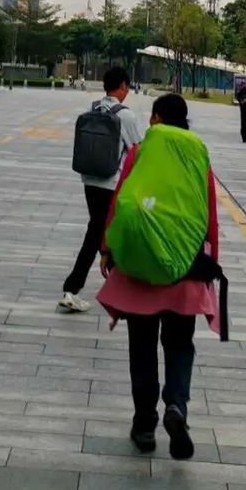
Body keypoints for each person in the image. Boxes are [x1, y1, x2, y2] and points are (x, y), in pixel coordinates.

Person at [98, 94, 221, 461]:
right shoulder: (198, 155)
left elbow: (122, 200)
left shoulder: (140, 152)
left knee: (142, 346)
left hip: (141, 270)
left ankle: (144, 424)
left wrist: (107, 248)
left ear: (155, 118)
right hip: (186, 268)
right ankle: (176, 406)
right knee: (180, 343)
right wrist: (210, 262)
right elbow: (209, 212)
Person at [58, 67, 143, 313]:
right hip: (111, 183)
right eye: (127, 87)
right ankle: (74, 289)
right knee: (100, 232)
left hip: (89, 179)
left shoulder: (92, 109)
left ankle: (99, 286)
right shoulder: (126, 116)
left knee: (99, 230)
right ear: (123, 86)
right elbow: (137, 150)